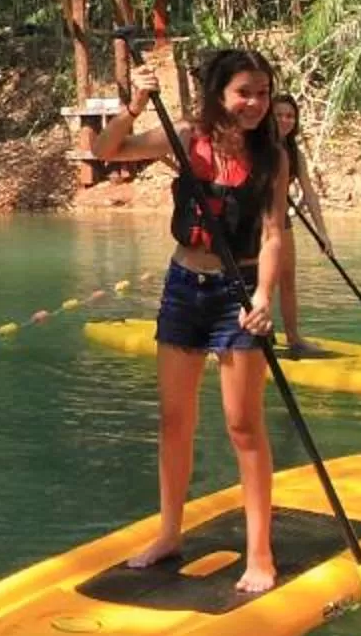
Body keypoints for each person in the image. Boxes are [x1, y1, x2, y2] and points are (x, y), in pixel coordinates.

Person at [89, 46, 293, 595]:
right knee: (174, 421)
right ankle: (169, 534)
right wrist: (135, 104)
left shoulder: (273, 157)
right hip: (184, 288)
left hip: (238, 295)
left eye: (263, 92)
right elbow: (108, 149)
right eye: (244, 92)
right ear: (219, 96)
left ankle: (260, 552)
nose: (255, 103)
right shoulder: (185, 138)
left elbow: (273, 234)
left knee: (242, 425)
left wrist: (264, 295)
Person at [268, 95, 338, 357]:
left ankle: (294, 338)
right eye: (279, 115)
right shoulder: (254, 146)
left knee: (287, 280)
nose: (285, 120)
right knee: (255, 281)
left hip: (281, 221)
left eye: (290, 115)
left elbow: (309, 192)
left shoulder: (295, 154)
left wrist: (322, 233)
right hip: (252, 223)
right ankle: (257, 334)